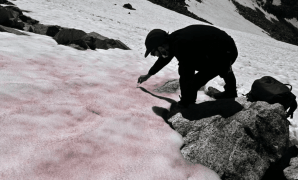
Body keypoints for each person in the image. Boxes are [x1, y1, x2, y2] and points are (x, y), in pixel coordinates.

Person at [138, 24, 239, 108]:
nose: (155, 55)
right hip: (224, 49)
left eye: (153, 52)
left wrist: (185, 102)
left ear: (160, 47)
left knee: (193, 81)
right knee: (202, 65)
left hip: (226, 52)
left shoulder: (181, 45)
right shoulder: (172, 41)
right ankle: (230, 90)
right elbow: (163, 60)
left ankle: (190, 102)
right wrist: (148, 75)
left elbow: (186, 73)